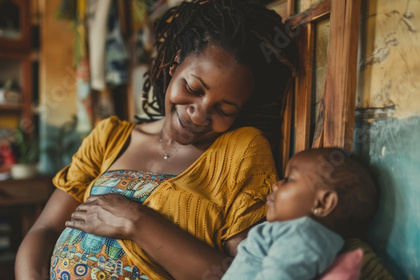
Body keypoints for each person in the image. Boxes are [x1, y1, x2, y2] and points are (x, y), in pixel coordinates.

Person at [15, 1, 297, 279]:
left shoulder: (241, 151)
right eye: (193, 88)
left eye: (224, 109)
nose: (199, 115)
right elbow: (46, 230)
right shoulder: (109, 137)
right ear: (174, 64)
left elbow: (240, 274)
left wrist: (136, 221)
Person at [222, 148, 379, 280]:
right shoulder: (297, 231)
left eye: (289, 180)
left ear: (323, 203)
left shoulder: (304, 234)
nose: (276, 185)